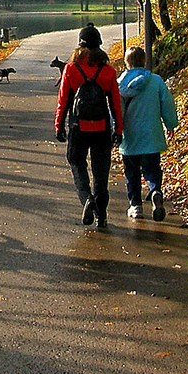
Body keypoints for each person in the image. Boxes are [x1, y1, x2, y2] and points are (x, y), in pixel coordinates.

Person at [54, 24, 123, 229]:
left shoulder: (71, 69)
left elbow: (63, 100)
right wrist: (118, 130)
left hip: (78, 127)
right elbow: (115, 104)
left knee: (76, 163)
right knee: (101, 173)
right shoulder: (109, 71)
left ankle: (87, 200)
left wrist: (59, 125)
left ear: (80, 44)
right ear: (99, 45)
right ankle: (102, 216)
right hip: (101, 128)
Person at [117, 45, 178, 221]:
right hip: (152, 134)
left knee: (132, 172)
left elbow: (116, 110)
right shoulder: (156, 81)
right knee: (152, 168)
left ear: (126, 63)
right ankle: (155, 190)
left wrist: (116, 131)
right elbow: (167, 104)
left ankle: (135, 206)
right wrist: (171, 124)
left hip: (130, 137)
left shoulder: (120, 83)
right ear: (144, 61)